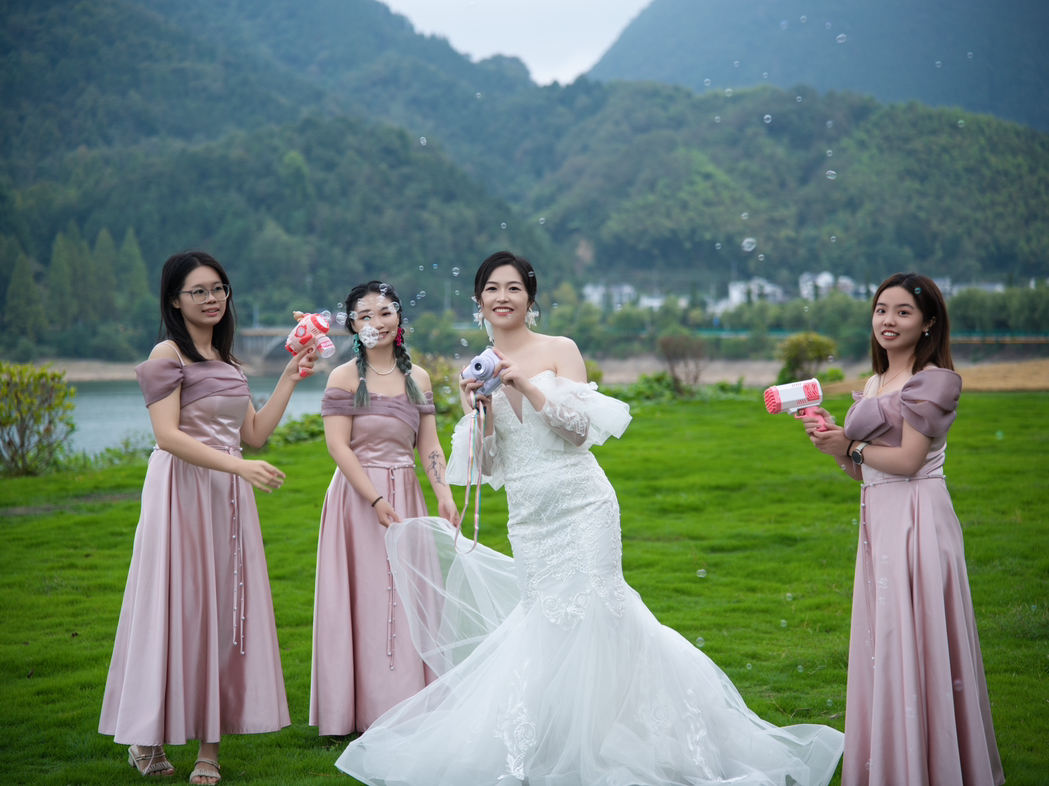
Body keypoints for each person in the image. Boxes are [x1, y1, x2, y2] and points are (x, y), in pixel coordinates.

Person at [335, 251, 844, 785]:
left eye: (513, 288)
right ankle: (560, 741)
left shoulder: (560, 350)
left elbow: (578, 432)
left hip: (583, 505)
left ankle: (618, 739)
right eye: (492, 289)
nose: (502, 297)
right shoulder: (475, 372)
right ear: (478, 301)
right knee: (547, 625)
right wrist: (478, 414)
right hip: (529, 518)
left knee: (603, 610)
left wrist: (526, 385)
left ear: (530, 298)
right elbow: (487, 466)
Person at [99, 251, 316, 784]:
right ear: (175, 300)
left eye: (219, 288)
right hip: (180, 490)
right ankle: (146, 735)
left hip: (227, 498)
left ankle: (209, 750)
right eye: (198, 291)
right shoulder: (167, 353)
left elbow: (254, 434)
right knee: (173, 605)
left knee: (224, 609)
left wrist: (289, 376)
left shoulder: (231, 363)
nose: (212, 298)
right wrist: (238, 468)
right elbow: (168, 436)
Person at [800, 273, 1004, 786]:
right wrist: (833, 443)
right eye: (881, 310)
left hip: (918, 518)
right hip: (880, 517)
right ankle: (896, 763)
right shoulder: (875, 383)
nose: (888, 320)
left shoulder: (932, 380)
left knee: (918, 636)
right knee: (887, 638)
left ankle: (932, 765)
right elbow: (863, 472)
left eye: (903, 312)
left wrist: (851, 446)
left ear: (928, 322)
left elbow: (910, 461)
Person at [310, 281, 459, 736]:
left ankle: (411, 701)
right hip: (358, 499)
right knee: (367, 597)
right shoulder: (343, 378)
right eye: (365, 315)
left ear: (399, 318)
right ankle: (357, 711)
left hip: (407, 494)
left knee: (411, 595)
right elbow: (338, 447)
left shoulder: (419, 379)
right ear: (353, 326)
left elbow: (429, 444)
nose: (377, 321)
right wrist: (374, 498)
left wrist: (443, 492)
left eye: (385, 311)